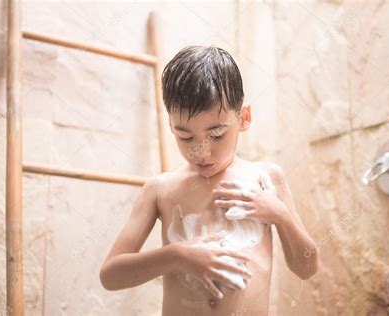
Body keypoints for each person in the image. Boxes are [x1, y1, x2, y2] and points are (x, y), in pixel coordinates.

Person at [100, 46, 318, 315]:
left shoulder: (267, 179)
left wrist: (280, 214)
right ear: (171, 125)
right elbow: (111, 275)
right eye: (186, 137)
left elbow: (306, 268)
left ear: (244, 118)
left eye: (216, 135)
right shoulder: (160, 189)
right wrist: (178, 255)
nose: (201, 152)